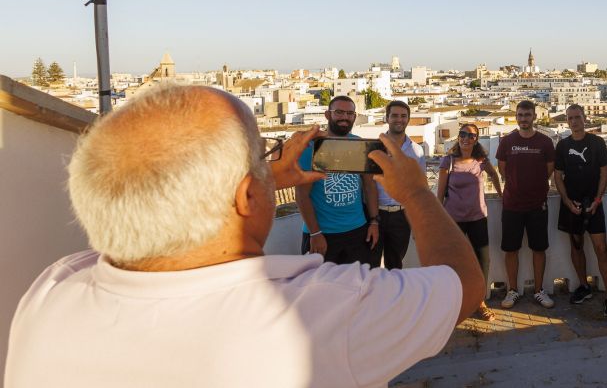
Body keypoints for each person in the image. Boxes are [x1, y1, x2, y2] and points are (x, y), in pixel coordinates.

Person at [4, 83, 484, 387]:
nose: (269, 166)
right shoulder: (321, 313)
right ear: (244, 196)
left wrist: (264, 177)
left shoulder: (51, 292)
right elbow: (464, 287)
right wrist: (418, 195)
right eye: (260, 158)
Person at [296, 95, 380, 265]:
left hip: (357, 231)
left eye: (350, 113)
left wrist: (374, 222)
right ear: (327, 115)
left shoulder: (359, 145)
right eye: (339, 112)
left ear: (355, 117)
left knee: (356, 286)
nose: (345, 117)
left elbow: (369, 186)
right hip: (323, 234)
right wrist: (315, 233)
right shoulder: (311, 148)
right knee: (320, 287)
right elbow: (302, 195)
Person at [553, 104, 607, 317]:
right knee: (576, 246)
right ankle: (584, 286)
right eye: (570, 118)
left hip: (593, 204)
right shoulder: (563, 146)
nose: (574, 121)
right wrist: (567, 201)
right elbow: (557, 176)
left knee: (601, 249)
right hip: (572, 205)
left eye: (577, 117)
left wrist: (598, 200)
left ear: (585, 118)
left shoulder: (597, 143)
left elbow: (604, 174)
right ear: (567, 120)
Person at [437, 123, 503, 321]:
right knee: (453, 262)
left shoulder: (481, 160)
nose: (466, 138)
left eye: (471, 135)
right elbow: (440, 193)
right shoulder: (448, 161)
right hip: (454, 220)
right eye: (463, 134)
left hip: (477, 218)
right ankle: (455, 302)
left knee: (483, 261)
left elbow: (493, 174)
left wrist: (501, 194)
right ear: (459, 137)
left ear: (476, 140)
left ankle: (479, 302)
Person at [496, 100, 556, 309]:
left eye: (527, 115)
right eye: (520, 115)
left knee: (538, 249)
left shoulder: (545, 142)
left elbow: (550, 169)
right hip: (512, 204)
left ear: (534, 117)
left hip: (537, 204)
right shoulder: (506, 142)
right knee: (510, 249)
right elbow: (502, 169)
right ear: (516, 117)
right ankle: (513, 290)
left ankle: (539, 290)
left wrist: (535, 185)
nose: (524, 119)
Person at [373, 100, 426, 269]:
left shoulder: (416, 150)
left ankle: (393, 295)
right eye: (394, 115)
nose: (399, 119)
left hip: (402, 216)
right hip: (375, 214)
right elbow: (367, 184)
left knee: (395, 265)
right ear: (387, 118)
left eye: (403, 116)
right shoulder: (374, 148)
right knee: (371, 263)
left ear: (408, 119)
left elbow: (420, 187)